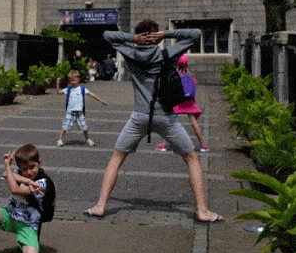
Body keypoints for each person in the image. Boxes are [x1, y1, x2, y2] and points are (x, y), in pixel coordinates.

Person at [84, 20, 223, 224]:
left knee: (117, 158)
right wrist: (165, 35)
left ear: (139, 37)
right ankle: (203, 210)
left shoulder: (129, 53)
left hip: (139, 117)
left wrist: (133, 39)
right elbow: (195, 34)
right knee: (191, 158)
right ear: (155, 36)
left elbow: (107, 35)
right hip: (166, 117)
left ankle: (100, 206)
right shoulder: (167, 54)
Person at [156, 54, 208, 152]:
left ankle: (163, 145)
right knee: (194, 122)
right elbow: (193, 92)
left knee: (171, 122)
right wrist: (194, 104)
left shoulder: (174, 75)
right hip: (189, 102)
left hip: (177, 102)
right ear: (187, 64)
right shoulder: (191, 76)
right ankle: (203, 145)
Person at [56, 70, 108, 146]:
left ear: (79, 79)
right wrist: (57, 83)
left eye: (74, 80)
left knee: (84, 127)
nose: (72, 82)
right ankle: (60, 140)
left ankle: (88, 139)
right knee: (65, 127)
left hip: (80, 112)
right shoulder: (68, 89)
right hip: (70, 112)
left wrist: (101, 100)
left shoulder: (82, 89)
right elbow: (58, 92)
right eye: (71, 80)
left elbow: (92, 94)